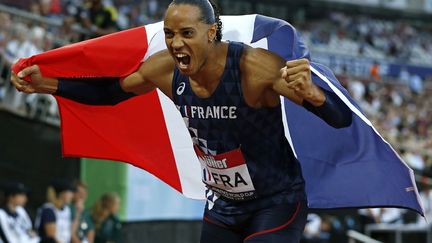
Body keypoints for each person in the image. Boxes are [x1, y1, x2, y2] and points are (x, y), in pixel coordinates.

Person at [11, 0, 352, 242]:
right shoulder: (164, 69)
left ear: (211, 32)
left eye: (187, 33)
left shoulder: (255, 68)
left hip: (276, 200)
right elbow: (112, 92)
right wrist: (50, 85)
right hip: (222, 204)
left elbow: (340, 120)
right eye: (170, 34)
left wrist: (315, 94)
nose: (176, 44)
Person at [35, 179, 76, 243]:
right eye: (69, 192)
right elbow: (51, 238)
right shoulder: (48, 210)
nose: (72, 195)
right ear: (61, 193)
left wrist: (78, 212)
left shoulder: (67, 209)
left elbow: (70, 232)